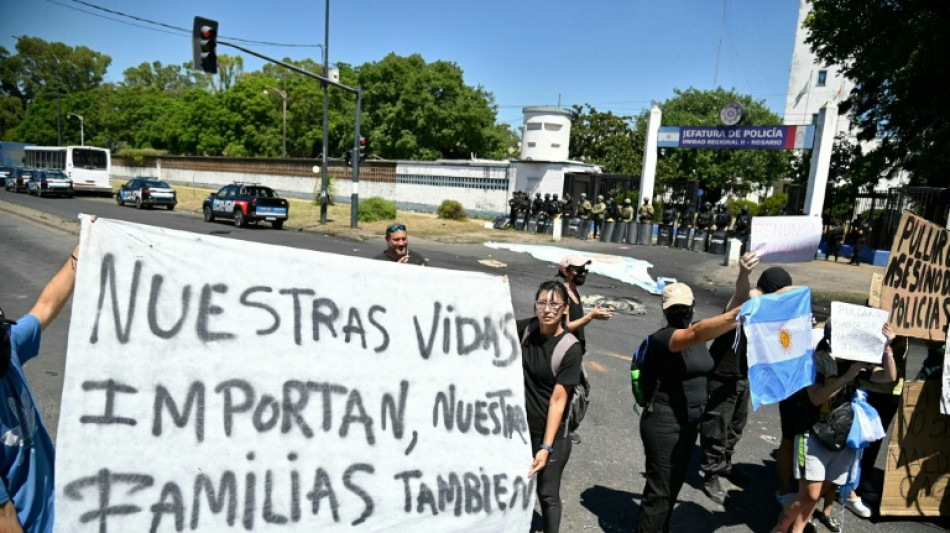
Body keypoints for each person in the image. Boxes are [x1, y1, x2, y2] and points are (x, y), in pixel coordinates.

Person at [1, 226, 95, 532]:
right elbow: (5, 519)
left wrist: (80, 252)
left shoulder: (8, 347)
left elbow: (45, 307)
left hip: (62, 518)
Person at [635, 283, 745, 533]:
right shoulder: (665, 338)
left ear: (692, 307)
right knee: (659, 492)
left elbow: (728, 311)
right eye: (676, 308)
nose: (682, 312)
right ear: (665, 310)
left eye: (684, 307)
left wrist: (744, 274)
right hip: (663, 424)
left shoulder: (699, 333)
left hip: (688, 422)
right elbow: (707, 327)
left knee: (673, 485)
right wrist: (740, 313)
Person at [771, 320, 897, 533]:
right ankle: (779, 528)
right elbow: (816, 398)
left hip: (841, 436)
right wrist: (847, 378)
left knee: (819, 491)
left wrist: (887, 349)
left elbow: (889, 377)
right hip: (811, 433)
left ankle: (796, 530)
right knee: (809, 494)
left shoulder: (854, 362)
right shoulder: (816, 361)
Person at [698, 254, 771, 506]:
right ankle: (710, 474)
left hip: (745, 375)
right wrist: (743, 273)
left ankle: (724, 464)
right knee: (716, 427)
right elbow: (740, 296)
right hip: (723, 374)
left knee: (736, 425)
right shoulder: (746, 301)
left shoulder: (768, 308)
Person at [520, 281, 583, 533]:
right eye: (542, 303)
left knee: (547, 494)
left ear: (565, 308)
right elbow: (491, 322)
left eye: (554, 304)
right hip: (519, 430)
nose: (547, 310)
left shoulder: (570, 348)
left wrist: (545, 448)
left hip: (552, 435)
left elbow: (558, 401)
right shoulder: (526, 330)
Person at [557, 256, 613, 355]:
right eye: (578, 270)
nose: (582, 273)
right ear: (566, 272)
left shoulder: (575, 291)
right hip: (565, 351)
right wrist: (590, 316)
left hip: (576, 349)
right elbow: (566, 327)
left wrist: (595, 315)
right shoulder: (562, 294)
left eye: (584, 269)